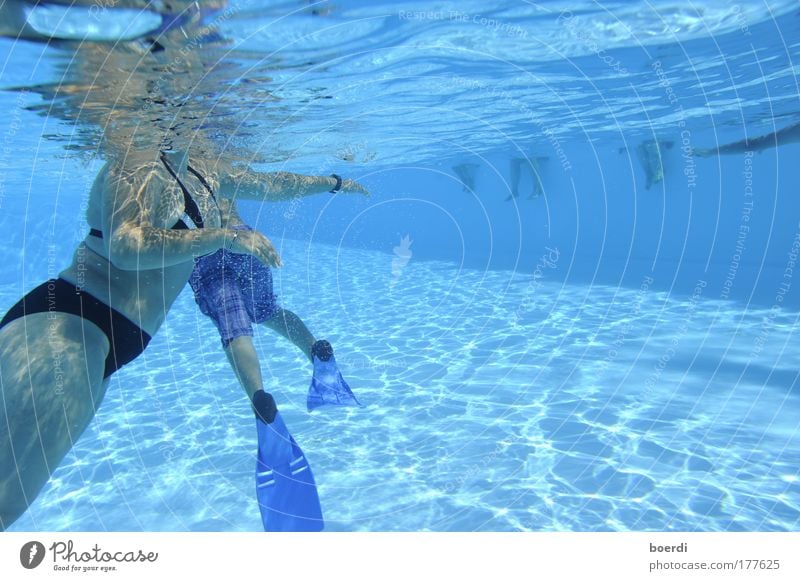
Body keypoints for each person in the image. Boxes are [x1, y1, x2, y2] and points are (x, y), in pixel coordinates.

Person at [0, 147, 369, 531]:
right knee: (5, 502)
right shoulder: (134, 165)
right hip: (70, 326)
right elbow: (126, 248)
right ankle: (265, 391)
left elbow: (272, 184)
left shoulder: (205, 169)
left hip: (116, 339)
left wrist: (334, 183)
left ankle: (265, 392)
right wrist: (223, 237)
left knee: (15, 498)